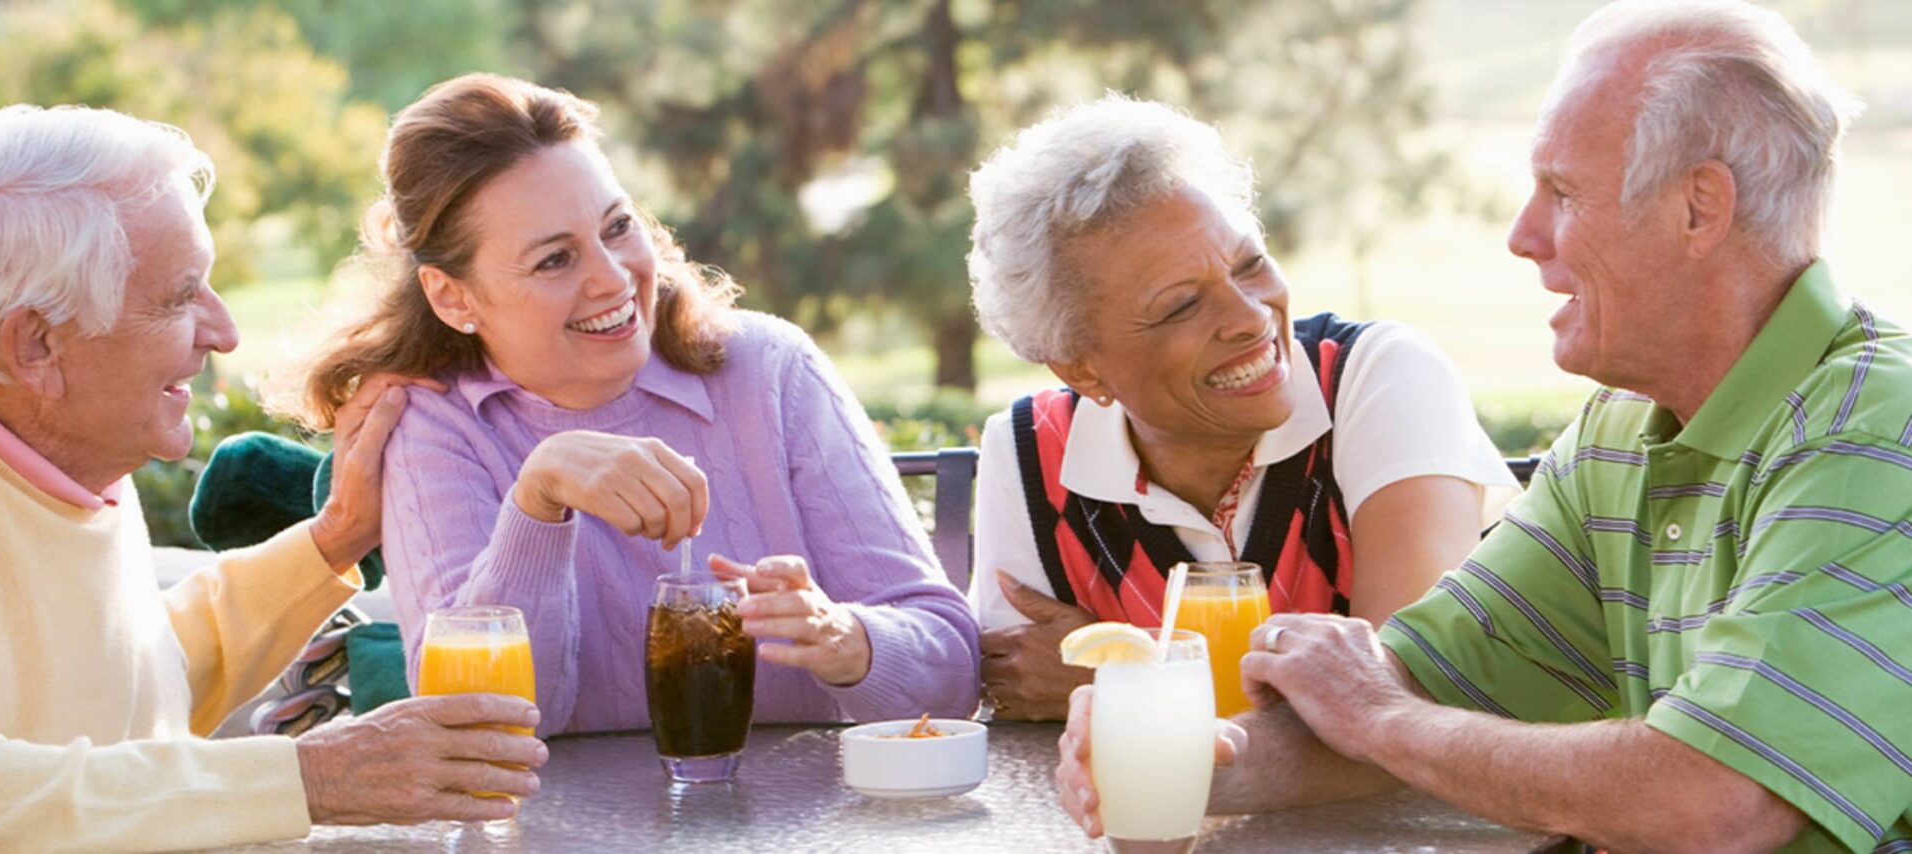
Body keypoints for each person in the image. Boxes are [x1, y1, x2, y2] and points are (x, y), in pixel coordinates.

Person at [1056, 1, 1911, 849]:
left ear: (1699, 208)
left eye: (1562, 193)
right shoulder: (1619, 431)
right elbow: (1427, 684)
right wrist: (1167, 753)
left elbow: (1717, 804)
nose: (1522, 236)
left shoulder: (1875, 430)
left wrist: (1379, 716)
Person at [0, 106, 548, 851]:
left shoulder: (61, 446)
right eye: (180, 296)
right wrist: (313, 779)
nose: (223, 331)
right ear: (36, 345)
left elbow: (134, 679)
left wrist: (335, 539)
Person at [284, 73, 979, 736]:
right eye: (555, 260)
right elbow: (481, 721)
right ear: (451, 297)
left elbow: (951, 672)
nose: (613, 279)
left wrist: (843, 639)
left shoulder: (770, 370)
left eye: (617, 227)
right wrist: (539, 497)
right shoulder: (434, 423)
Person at [965, 95, 1519, 720]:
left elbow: (1407, 685)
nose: (1251, 318)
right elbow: (1020, 684)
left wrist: (1121, 678)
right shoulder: (1031, 450)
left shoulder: (1381, 377)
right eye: (1182, 305)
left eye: (1250, 265)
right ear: (1081, 367)